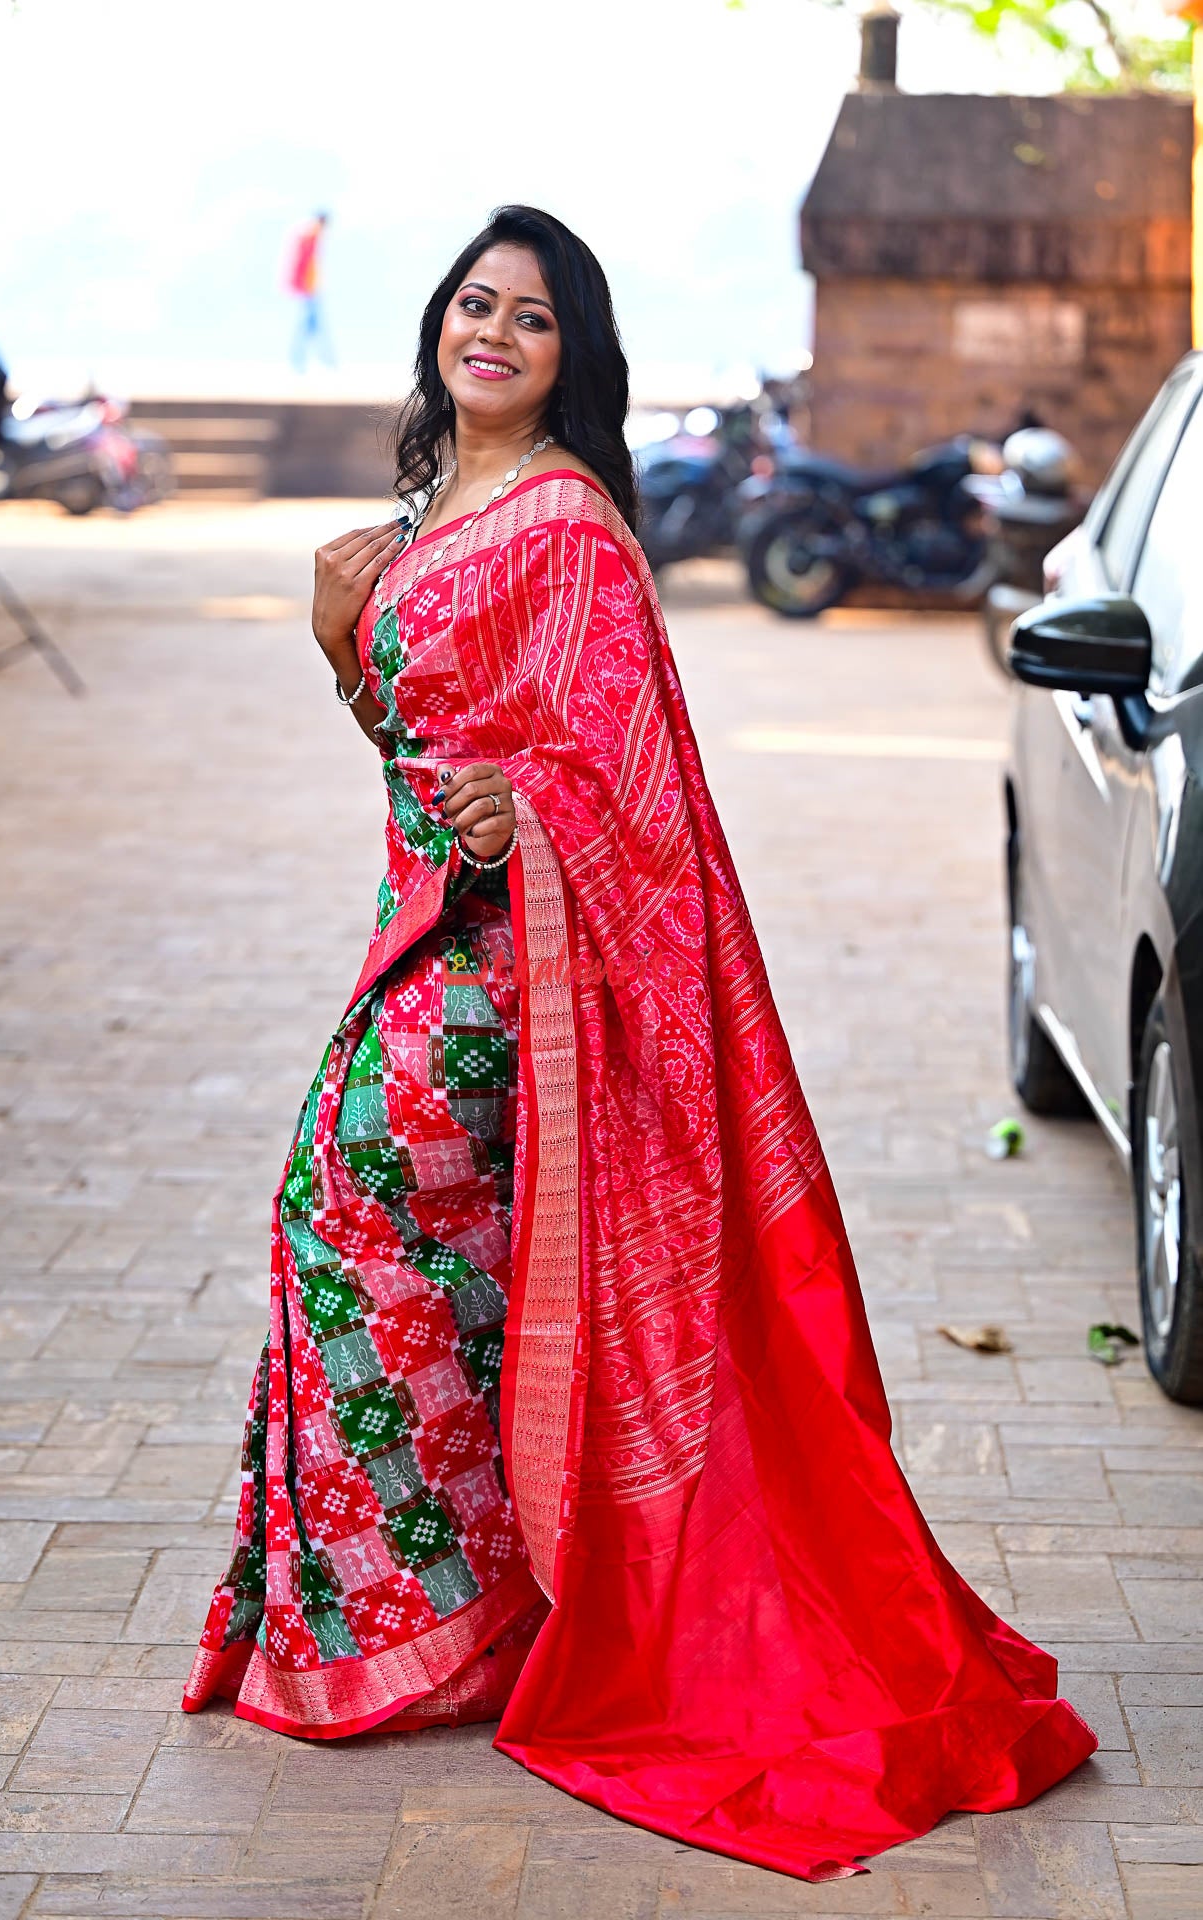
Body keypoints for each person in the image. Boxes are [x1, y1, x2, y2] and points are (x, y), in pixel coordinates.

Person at [183, 204, 1096, 1882]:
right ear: (436, 329)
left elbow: (632, 792)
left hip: (501, 985)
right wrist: (341, 648)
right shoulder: (434, 510)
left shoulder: (571, 529)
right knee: (409, 1267)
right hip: (429, 945)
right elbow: (416, 746)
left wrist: (513, 810)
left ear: (570, 362)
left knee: (343, 1217)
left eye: (532, 320)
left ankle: (427, 1631)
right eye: (474, 304)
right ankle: (469, 1614)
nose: (494, 335)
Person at [288, 210, 334, 372]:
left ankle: (322, 361)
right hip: (308, 290)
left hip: (310, 289)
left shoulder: (310, 236)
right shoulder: (309, 236)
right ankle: (320, 362)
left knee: (311, 325)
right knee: (308, 325)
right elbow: (303, 265)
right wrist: (306, 287)